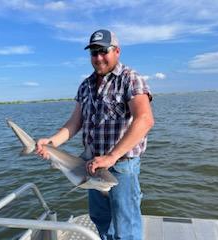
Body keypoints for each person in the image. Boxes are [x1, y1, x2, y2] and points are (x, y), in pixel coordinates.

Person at [37, 29, 154, 240]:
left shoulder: (130, 79)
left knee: (126, 225)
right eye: (93, 52)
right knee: (100, 218)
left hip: (121, 165)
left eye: (103, 51)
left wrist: (111, 157)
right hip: (90, 164)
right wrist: (51, 142)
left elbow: (144, 120)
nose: (98, 57)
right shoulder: (86, 85)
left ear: (117, 51)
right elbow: (75, 123)